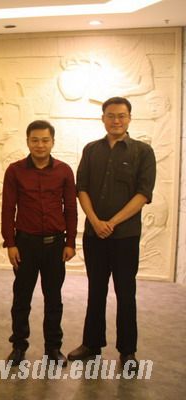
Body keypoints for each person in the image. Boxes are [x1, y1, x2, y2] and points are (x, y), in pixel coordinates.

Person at [68, 97, 156, 371]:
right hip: (95, 235)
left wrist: (112, 222)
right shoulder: (91, 150)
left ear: (129, 118)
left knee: (126, 293)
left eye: (121, 115)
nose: (116, 120)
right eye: (110, 115)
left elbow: (143, 194)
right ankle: (91, 345)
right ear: (103, 118)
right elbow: (81, 188)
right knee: (96, 291)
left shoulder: (143, 152)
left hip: (125, 237)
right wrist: (95, 221)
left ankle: (127, 351)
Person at [1, 120, 77, 367]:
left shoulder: (64, 171)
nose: (40, 145)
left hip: (55, 245)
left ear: (53, 142)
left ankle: (53, 348)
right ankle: (18, 346)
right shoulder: (15, 171)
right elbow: (8, 209)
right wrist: (10, 243)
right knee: (21, 298)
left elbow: (71, 209)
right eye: (35, 140)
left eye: (45, 140)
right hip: (25, 245)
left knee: (53, 299)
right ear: (27, 141)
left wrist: (70, 242)